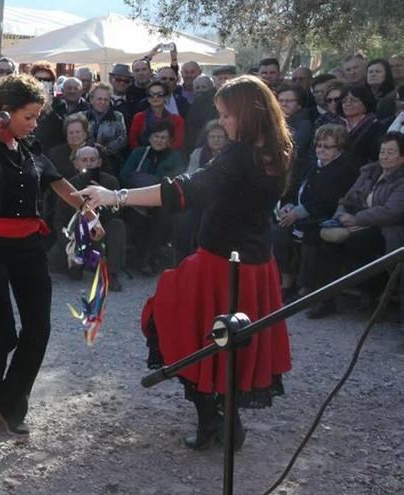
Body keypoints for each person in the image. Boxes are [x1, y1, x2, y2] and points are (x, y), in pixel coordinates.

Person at [75, 75, 293, 451]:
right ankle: (223, 421)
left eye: (227, 116)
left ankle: (216, 422)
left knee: (186, 333)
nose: (222, 123)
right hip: (256, 264)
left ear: (246, 112)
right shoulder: (280, 149)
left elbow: (184, 189)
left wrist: (115, 195)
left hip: (223, 265)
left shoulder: (241, 154)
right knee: (228, 343)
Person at [0, 73, 104, 436]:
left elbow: (60, 185)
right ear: (5, 113)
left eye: (38, 116)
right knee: (3, 332)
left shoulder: (31, 147)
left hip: (27, 247)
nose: (35, 123)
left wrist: (88, 212)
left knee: (39, 328)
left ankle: (10, 404)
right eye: (29, 116)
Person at [308, 132, 404, 318]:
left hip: (387, 229)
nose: (384, 156)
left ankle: (371, 294)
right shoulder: (370, 172)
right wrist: (340, 216)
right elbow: (347, 198)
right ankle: (325, 300)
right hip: (356, 224)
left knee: (358, 243)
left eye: (391, 152)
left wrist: (357, 219)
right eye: (382, 151)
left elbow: (392, 211)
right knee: (328, 244)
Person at [273, 124, 357, 305]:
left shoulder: (345, 169)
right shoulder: (311, 165)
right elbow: (294, 188)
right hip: (300, 213)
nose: (321, 150)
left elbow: (330, 200)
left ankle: (306, 287)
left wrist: (298, 213)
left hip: (325, 216)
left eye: (327, 146)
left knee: (311, 236)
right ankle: (286, 283)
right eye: (319, 145)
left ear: (339, 148)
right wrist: (289, 206)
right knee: (279, 232)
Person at [50, 146, 126, 290]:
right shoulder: (68, 185)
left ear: (99, 162)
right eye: (84, 160)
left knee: (118, 224)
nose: (89, 163)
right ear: (76, 164)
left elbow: (116, 213)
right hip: (75, 232)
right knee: (54, 262)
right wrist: (67, 243)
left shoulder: (110, 182)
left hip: (101, 229)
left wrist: (101, 200)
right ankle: (77, 264)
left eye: (93, 160)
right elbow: (59, 219)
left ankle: (112, 274)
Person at [119, 120, 185, 274]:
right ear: (149, 137)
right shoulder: (139, 153)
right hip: (137, 198)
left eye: (163, 138)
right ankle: (138, 257)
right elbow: (124, 175)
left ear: (169, 141)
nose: (159, 140)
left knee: (162, 215)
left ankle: (148, 257)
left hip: (162, 201)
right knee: (137, 214)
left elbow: (177, 180)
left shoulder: (175, 157)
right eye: (156, 136)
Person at [178, 120, 229, 260]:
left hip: (222, 201)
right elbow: (190, 175)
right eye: (213, 137)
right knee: (185, 221)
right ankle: (184, 258)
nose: (216, 140)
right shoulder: (198, 153)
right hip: (199, 197)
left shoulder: (230, 155)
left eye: (220, 137)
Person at [128, 81, 185, 151]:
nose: (155, 97)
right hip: (144, 156)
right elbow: (133, 141)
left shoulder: (177, 120)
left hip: (168, 157)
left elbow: (178, 143)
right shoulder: (139, 117)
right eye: (151, 94)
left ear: (166, 97)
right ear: (148, 98)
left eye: (159, 94)